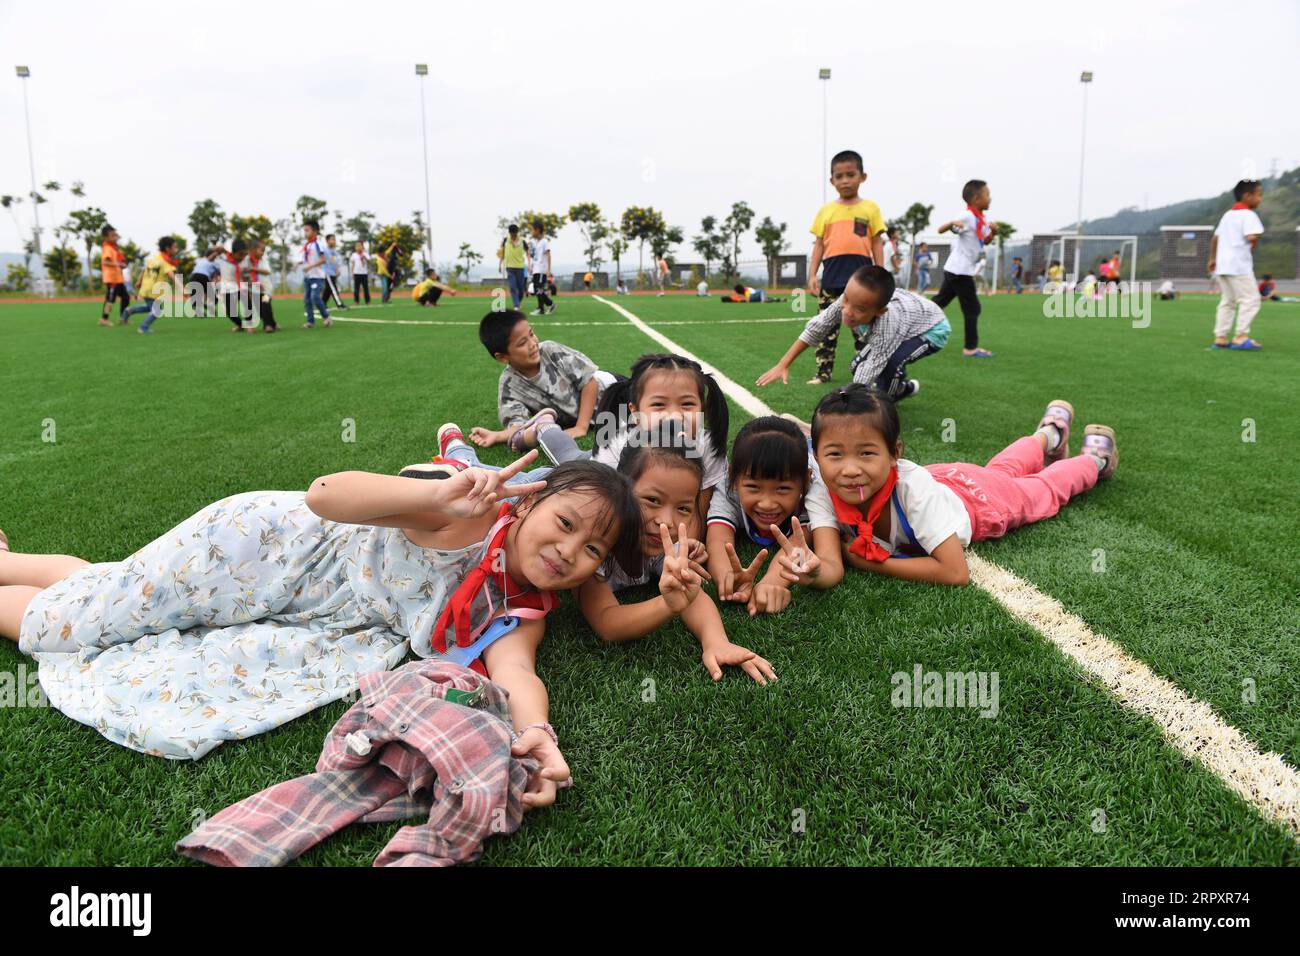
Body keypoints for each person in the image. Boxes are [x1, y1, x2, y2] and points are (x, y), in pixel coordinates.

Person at [1, 453, 641, 805]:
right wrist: (432, 496)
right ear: (528, 501)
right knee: (74, 623)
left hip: (298, 609)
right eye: (565, 523)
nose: (570, 551)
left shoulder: (515, 605)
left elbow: (517, 675)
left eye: (591, 550)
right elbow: (325, 494)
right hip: (259, 550)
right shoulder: (464, 504)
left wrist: (536, 736)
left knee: (114, 592)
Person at [802, 385, 1117, 587]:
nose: (850, 470)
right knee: (1002, 469)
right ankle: (1049, 434)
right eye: (835, 454)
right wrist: (812, 571)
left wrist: (870, 563)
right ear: (817, 456)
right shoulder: (822, 490)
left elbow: (954, 573)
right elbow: (830, 565)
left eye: (867, 453)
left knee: (1044, 490)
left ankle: (1096, 459)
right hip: (945, 479)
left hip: (981, 501)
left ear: (895, 453)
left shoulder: (912, 489)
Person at [704, 416, 843, 617]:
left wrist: (772, 581)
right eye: (753, 487)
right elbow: (718, 538)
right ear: (734, 477)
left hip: (809, 457)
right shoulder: (728, 486)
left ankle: (803, 430)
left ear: (804, 481)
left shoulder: (814, 490)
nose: (767, 503)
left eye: (783, 489)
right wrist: (726, 574)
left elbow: (798, 541)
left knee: (817, 444)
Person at [757, 265, 947, 401]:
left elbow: (872, 366)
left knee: (889, 365)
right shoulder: (846, 301)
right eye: (846, 299)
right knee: (857, 366)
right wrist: (783, 364)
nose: (847, 311)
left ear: (879, 311)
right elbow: (817, 327)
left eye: (860, 309)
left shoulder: (887, 324)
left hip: (931, 328)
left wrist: (845, 404)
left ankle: (886, 405)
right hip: (907, 321)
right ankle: (903, 388)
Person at [470, 309, 617, 452]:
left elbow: (590, 382)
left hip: (610, 390)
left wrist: (581, 427)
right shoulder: (509, 386)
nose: (533, 343)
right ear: (502, 357)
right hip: (599, 415)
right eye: (522, 343)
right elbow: (520, 426)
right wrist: (497, 436)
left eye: (531, 334)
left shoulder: (550, 350)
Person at [806, 149, 887, 382]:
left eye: (850, 175)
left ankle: (865, 374)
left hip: (862, 283)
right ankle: (823, 373)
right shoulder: (826, 211)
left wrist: (880, 273)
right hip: (831, 280)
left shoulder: (870, 209)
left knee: (864, 332)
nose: (845, 181)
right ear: (832, 181)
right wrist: (813, 274)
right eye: (839, 176)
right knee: (826, 329)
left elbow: (876, 242)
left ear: (863, 177)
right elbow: (819, 245)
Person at [934, 179, 995, 357]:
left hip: (957, 269)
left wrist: (994, 231)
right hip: (961, 271)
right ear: (976, 198)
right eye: (987, 195)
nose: (990, 199)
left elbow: (985, 240)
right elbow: (942, 229)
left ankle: (908, 319)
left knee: (939, 303)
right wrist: (953, 223)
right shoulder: (967, 216)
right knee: (972, 308)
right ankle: (970, 348)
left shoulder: (982, 218)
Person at [1207, 179, 1265, 350]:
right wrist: (1257, 235)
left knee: (1228, 301)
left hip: (1223, 266)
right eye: (1258, 195)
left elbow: (1215, 238)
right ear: (1247, 196)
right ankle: (1241, 336)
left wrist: (1212, 259)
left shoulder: (1227, 215)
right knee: (1251, 299)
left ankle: (1221, 337)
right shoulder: (1249, 215)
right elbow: (1251, 236)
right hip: (1239, 265)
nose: (1260, 199)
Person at [120, 236, 180, 334]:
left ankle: (129, 310)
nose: (176, 250)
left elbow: (145, 270)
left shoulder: (154, 258)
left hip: (146, 287)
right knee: (157, 310)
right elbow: (173, 277)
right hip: (154, 290)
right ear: (167, 249)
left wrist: (139, 281)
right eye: (174, 247)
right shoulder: (165, 262)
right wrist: (182, 289)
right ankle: (143, 328)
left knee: (149, 307)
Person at [301, 219, 331, 329]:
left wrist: (311, 266)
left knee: (315, 297)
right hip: (308, 277)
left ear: (315, 231)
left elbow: (323, 259)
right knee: (306, 299)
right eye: (304, 230)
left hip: (317, 277)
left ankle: (326, 316)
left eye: (307, 230)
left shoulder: (318, 244)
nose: (305, 233)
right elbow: (308, 259)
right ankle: (310, 321)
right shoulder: (307, 245)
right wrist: (298, 264)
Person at [243, 239, 278, 332]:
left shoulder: (263, 260)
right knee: (260, 309)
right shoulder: (246, 260)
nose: (263, 253)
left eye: (264, 251)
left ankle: (268, 326)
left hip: (266, 289)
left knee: (265, 305)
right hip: (254, 289)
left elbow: (267, 271)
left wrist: (253, 269)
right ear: (253, 250)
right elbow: (244, 276)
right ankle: (273, 324)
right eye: (261, 250)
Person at [98, 225, 130, 326]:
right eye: (112, 236)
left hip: (118, 278)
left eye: (115, 235)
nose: (115, 237)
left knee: (125, 297)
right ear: (106, 237)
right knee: (110, 300)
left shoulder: (114, 248)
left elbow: (119, 261)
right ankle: (104, 319)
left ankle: (123, 318)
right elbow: (105, 262)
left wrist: (122, 264)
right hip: (112, 279)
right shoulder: (107, 248)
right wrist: (118, 264)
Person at [218, 239, 252, 332]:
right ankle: (241, 325)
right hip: (228, 287)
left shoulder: (245, 261)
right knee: (230, 312)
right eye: (240, 254)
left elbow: (246, 275)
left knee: (247, 304)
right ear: (233, 252)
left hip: (241, 285)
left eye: (244, 254)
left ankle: (249, 325)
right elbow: (216, 251)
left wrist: (250, 283)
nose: (242, 257)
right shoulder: (224, 258)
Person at [526, 220, 556, 315]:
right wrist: (530, 266)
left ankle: (544, 307)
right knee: (536, 289)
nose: (531, 232)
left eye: (532, 230)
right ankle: (546, 306)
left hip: (541, 269)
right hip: (535, 269)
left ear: (537, 230)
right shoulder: (535, 242)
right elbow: (534, 256)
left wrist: (548, 270)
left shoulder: (544, 242)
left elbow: (548, 255)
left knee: (538, 289)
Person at [188, 246, 223, 317]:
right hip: (203, 277)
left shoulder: (201, 260)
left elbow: (216, 276)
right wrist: (217, 251)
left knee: (195, 297)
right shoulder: (212, 262)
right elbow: (218, 275)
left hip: (193, 277)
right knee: (213, 298)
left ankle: (200, 310)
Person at [502, 224, 528, 309]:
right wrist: (500, 264)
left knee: (521, 288)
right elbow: (503, 252)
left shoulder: (522, 241)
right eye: (511, 234)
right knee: (512, 286)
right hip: (509, 267)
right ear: (509, 233)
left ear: (517, 233)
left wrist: (530, 264)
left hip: (520, 267)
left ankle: (518, 302)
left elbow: (528, 252)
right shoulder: (506, 240)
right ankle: (516, 305)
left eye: (514, 234)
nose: (513, 236)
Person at [322, 233, 347, 310]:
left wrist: (337, 269)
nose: (334, 241)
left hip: (333, 273)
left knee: (328, 290)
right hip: (327, 273)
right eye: (332, 239)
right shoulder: (324, 250)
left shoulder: (334, 251)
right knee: (333, 289)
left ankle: (322, 304)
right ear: (327, 241)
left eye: (335, 239)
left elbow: (334, 261)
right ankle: (339, 304)